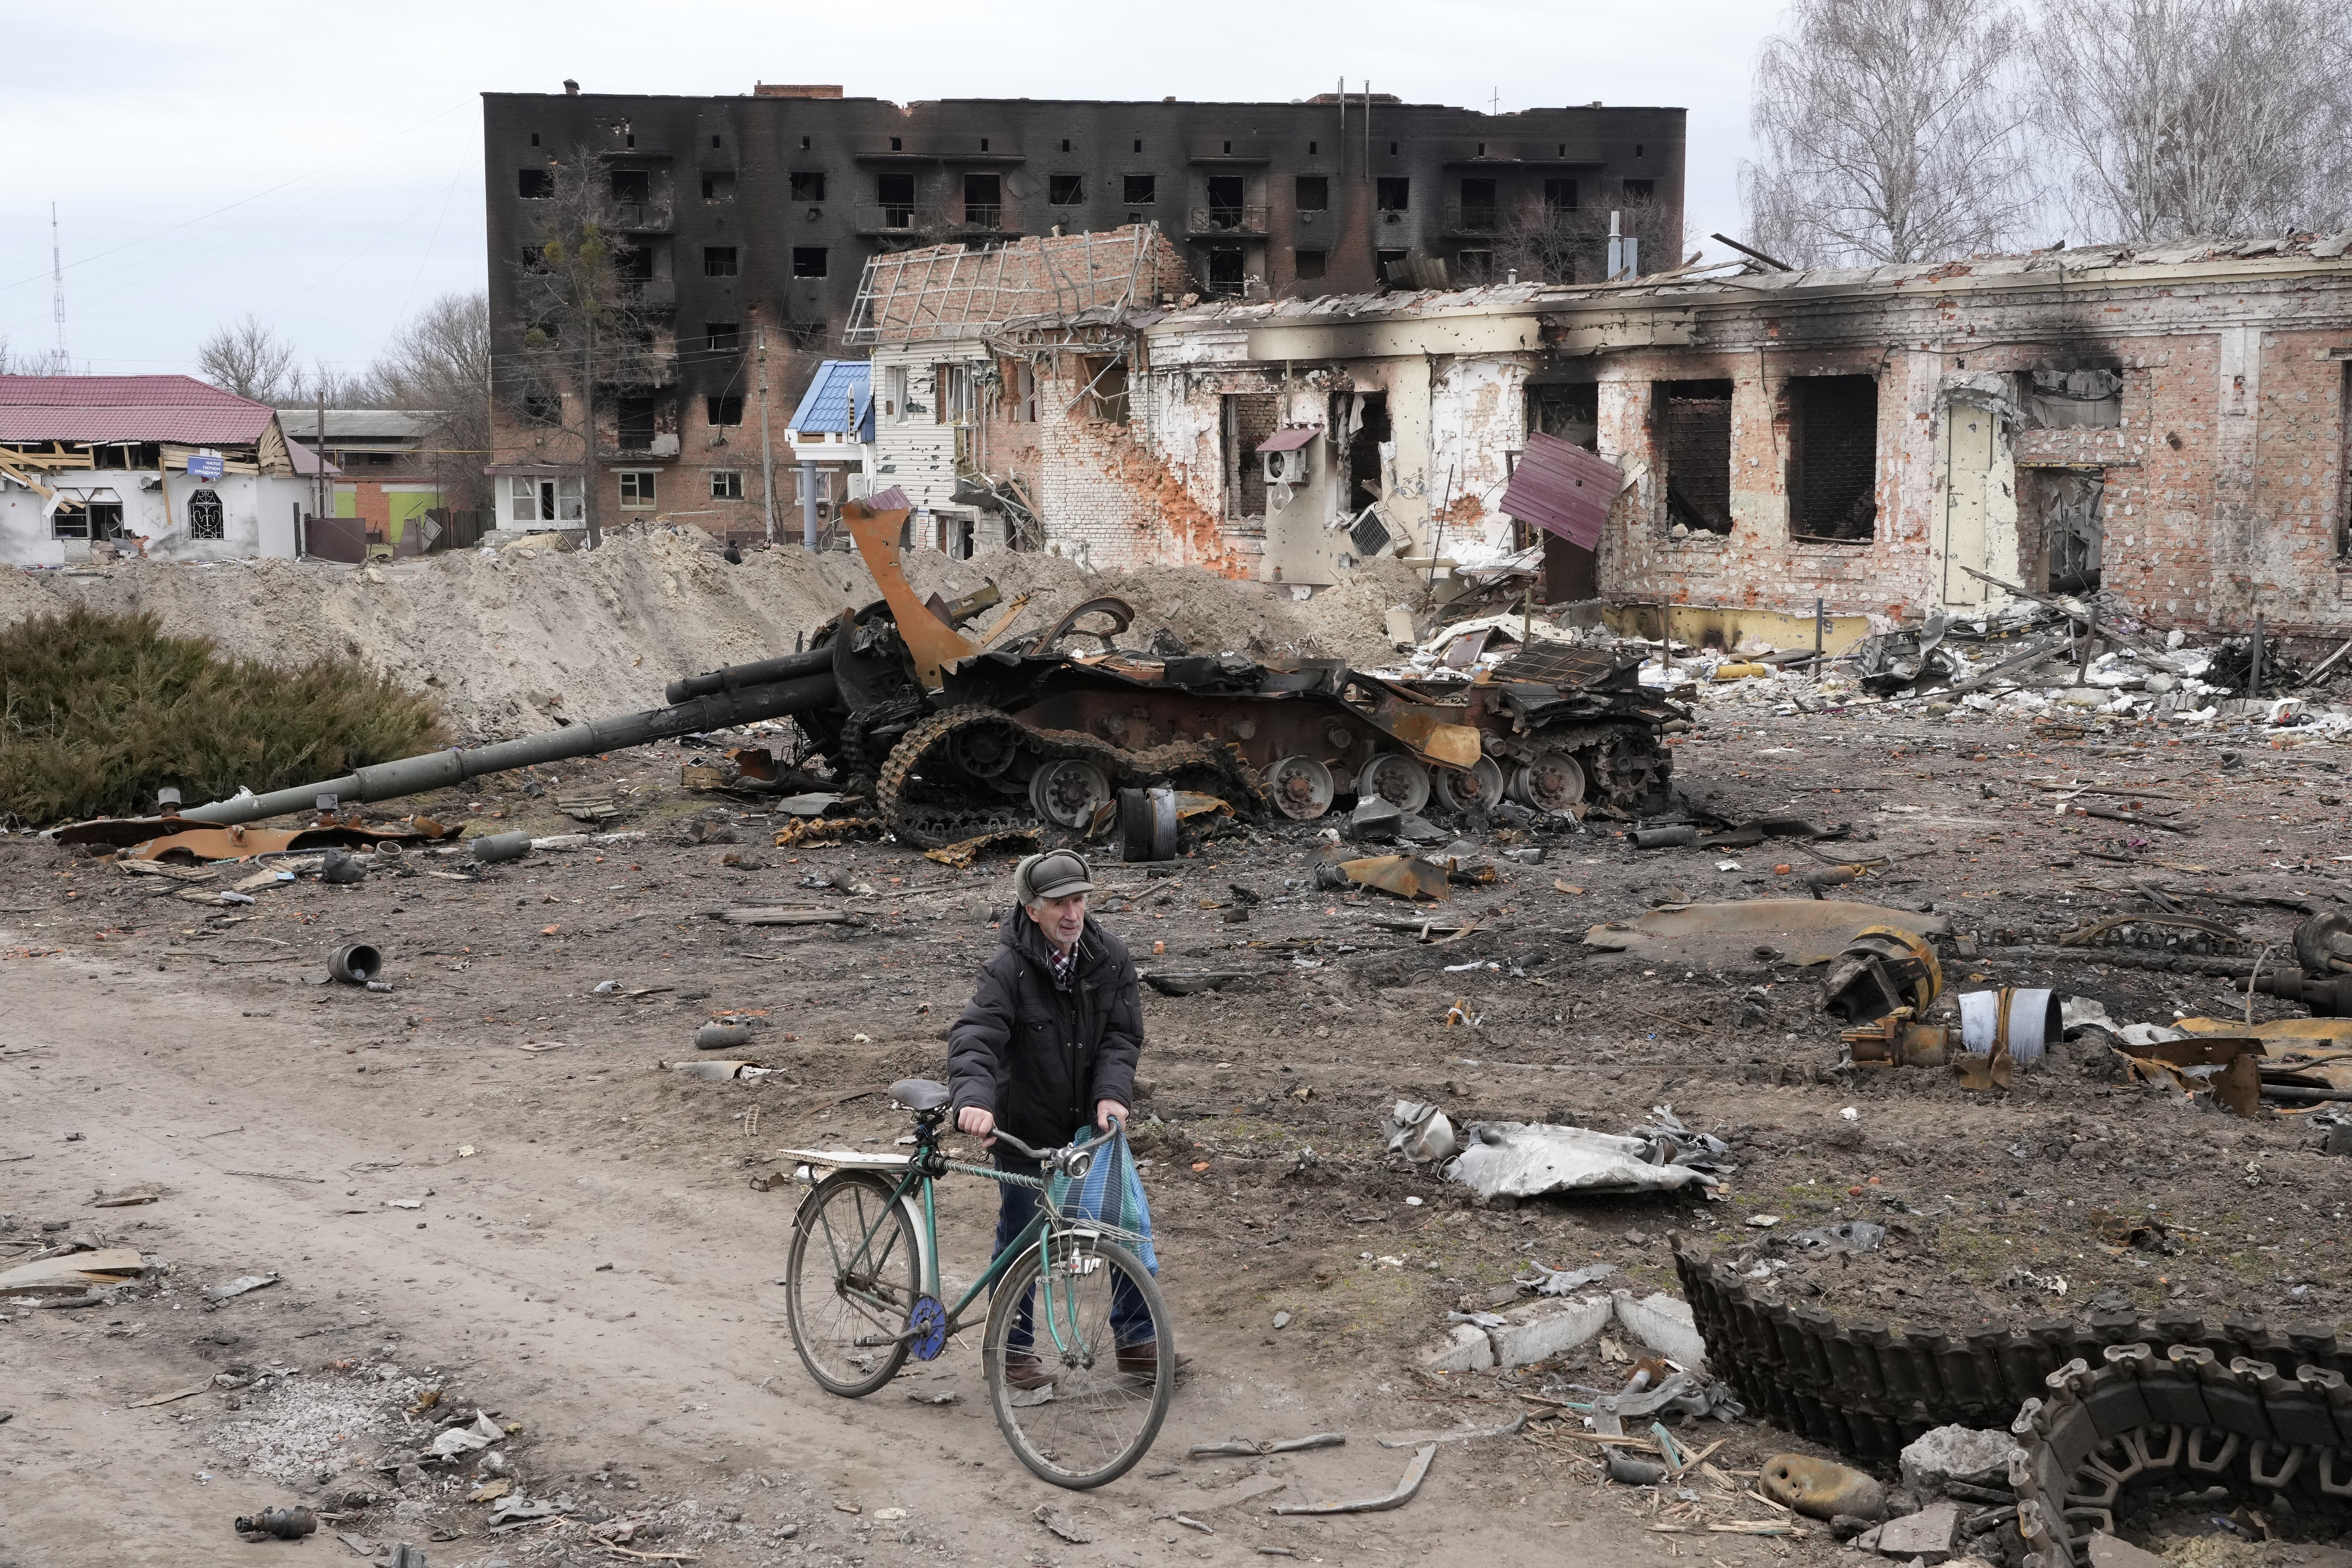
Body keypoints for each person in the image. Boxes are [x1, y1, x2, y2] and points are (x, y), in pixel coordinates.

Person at [947, 848, 1172, 1385]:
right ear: (1032, 910)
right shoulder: (1007, 971)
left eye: (1079, 901)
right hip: (1023, 1129)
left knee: (1121, 1227)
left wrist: (1113, 1094)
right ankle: (1013, 1350)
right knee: (1023, 1237)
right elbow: (975, 1038)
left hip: (1089, 1131)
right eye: (1058, 904)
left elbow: (1121, 1036)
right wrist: (974, 1101)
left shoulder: (1111, 957)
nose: (1072, 914)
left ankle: (1139, 1344)